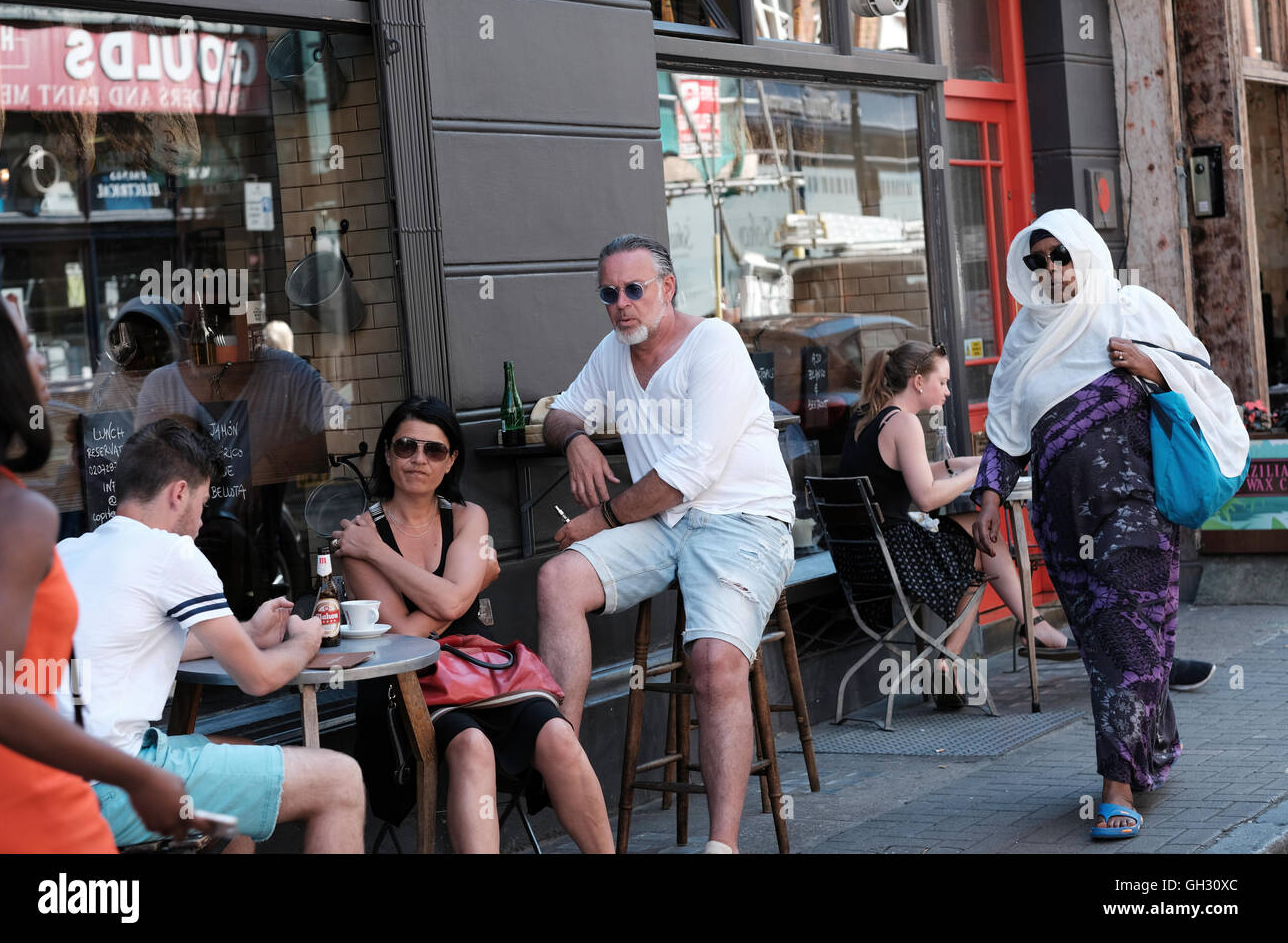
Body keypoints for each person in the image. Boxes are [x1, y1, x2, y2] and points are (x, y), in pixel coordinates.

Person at [972, 208, 1247, 838]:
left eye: (1059, 255)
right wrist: (989, 494)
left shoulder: (1133, 308)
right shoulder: (1026, 335)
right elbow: (1009, 427)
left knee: (1127, 635)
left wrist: (1153, 370)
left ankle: (1115, 789)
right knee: (1111, 646)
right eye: (1036, 260)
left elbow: (1204, 384)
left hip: (1135, 514)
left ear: (1086, 255)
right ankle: (1151, 747)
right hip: (1063, 519)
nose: (1049, 270)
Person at [538, 234, 796, 854]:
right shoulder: (612, 352)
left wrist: (601, 517)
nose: (621, 305)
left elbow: (691, 471)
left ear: (668, 288)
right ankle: (561, 756)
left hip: (743, 519)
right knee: (557, 580)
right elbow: (556, 412)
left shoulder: (715, 343)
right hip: (664, 526)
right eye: (609, 293)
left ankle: (721, 846)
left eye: (634, 289)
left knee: (712, 662)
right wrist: (575, 438)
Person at [58, 418, 366, 852]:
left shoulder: (69, 552)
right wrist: (307, 639)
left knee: (239, 753)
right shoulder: (173, 553)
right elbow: (257, 680)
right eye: (203, 503)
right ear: (179, 493)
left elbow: (135, 644)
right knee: (341, 780)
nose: (203, 521)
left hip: (48, 780)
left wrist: (250, 633)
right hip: (110, 785)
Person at [337, 396, 614, 853]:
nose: (418, 459)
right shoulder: (360, 538)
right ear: (387, 453)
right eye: (406, 446)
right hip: (407, 685)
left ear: (451, 462)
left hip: (482, 672)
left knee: (559, 735)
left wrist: (380, 555)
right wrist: (462, 588)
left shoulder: (467, 517)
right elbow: (405, 637)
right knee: (472, 746)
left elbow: (439, 607)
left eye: (434, 450)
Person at [0, 289, 190, 853]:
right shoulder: (15, 514)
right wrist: (139, 776)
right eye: (27, 349)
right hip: (34, 815)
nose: (43, 365)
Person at [838, 340, 1078, 707]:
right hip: (895, 556)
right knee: (985, 540)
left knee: (980, 540)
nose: (949, 391)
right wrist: (973, 478)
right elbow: (928, 497)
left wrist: (965, 464)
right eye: (944, 382)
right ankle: (984, 648)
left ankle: (1004, 641)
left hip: (860, 558)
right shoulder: (904, 423)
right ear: (918, 382)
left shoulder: (869, 417)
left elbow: (913, 471)